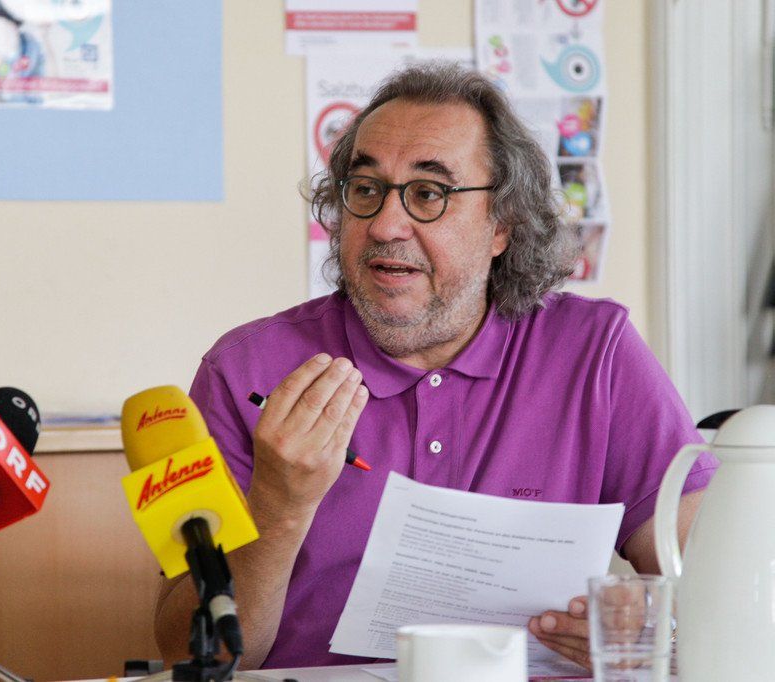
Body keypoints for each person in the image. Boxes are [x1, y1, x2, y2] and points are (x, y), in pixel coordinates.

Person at [154, 62, 717, 671]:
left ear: (502, 224)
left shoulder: (596, 352)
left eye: (428, 193)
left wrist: (654, 627)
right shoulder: (242, 370)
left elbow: (722, 582)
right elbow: (186, 652)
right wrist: (278, 507)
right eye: (365, 190)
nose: (384, 225)